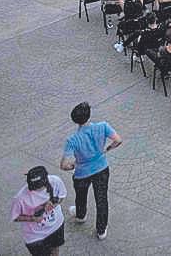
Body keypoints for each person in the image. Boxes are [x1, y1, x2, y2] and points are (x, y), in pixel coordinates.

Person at [60, 102, 122, 241]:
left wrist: (73, 166)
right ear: (89, 115)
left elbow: (64, 165)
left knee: (80, 195)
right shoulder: (103, 126)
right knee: (101, 199)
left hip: (82, 172)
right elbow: (118, 140)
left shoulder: (72, 140)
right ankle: (101, 230)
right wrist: (107, 149)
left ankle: (81, 215)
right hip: (101, 168)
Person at [11, 166, 67, 256]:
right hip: (35, 236)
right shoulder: (20, 198)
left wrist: (54, 204)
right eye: (33, 186)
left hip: (56, 225)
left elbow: (62, 196)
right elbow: (15, 217)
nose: (35, 189)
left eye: (38, 186)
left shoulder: (56, 181)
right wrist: (33, 218)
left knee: (55, 248)